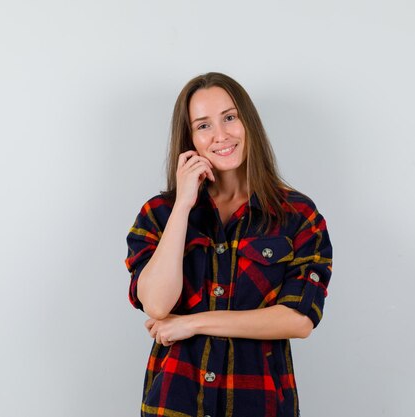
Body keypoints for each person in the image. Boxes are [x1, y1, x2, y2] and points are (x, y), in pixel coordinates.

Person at [125, 72, 332, 417]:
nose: (221, 135)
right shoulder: (159, 214)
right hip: (175, 403)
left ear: (247, 122)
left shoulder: (297, 215)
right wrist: (183, 205)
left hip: (258, 404)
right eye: (203, 125)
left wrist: (192, 323)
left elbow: (298, 320)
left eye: (230, 117)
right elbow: (157, 306)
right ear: (189, 138)